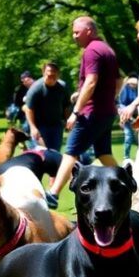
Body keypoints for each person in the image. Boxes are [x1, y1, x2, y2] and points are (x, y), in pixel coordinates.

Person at [45, 16, 121, 209]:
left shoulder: (92, 51)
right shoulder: (107, 50)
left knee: (71, 152)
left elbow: (92, 81)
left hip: (91, 113)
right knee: (104, 154)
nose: (74, 36)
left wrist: (76, 111)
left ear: (89, 31)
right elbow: (118, 80)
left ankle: (52, 195)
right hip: (106, 111)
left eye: (77, 32)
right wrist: (106, 98)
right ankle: (128, 181)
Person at [23, 62, 70, 153]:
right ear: (43, 72)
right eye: (49, 73)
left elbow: (66, 106)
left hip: (57, 125)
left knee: (55, 153)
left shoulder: (62, 87)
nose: (51, 76)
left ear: (58, 74)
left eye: (54, 74)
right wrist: (33, 128)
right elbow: (29, 109)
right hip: (40, 126)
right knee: (43, 153)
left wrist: (68, 121)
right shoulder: (36, 88)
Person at [118, 76, 138, 159]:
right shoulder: (124, 91)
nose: (134, 86)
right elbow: (121, 106)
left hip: (138, 117)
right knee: (128, 137)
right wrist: (123, 118)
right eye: (132, 84)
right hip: (128, 118)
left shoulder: (138, 90)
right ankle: (126, 157)